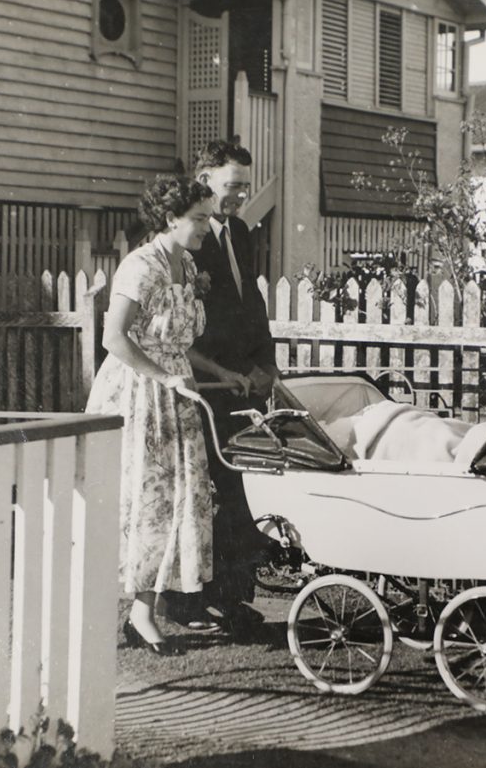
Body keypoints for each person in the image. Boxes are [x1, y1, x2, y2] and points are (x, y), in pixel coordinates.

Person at [86, 174, 250, 655]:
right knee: (144, 503)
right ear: (170, 218)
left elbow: (179, 343)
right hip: (139, 395)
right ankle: (128, 613)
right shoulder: (141, 266)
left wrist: (219, 370)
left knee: (177, 503)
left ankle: (144, 614)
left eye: (207, 216)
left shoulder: (188, 263)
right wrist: (163, 378)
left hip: (177, 392)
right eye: (198, 218)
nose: (206, 226)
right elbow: (114, 338)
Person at [168, 137, 279, 632]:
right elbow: (177, 322)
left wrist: (266, 364)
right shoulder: (183, 238)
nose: (239, 197)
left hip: (243, 382)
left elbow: (251, 306)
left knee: (240, 489)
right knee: (200, 492)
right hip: (203, 382)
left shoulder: (240, 230)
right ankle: (185, 601)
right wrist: (216, 371)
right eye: (232, 186)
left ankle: (232, 598)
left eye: (245, 188)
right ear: (205, 180)